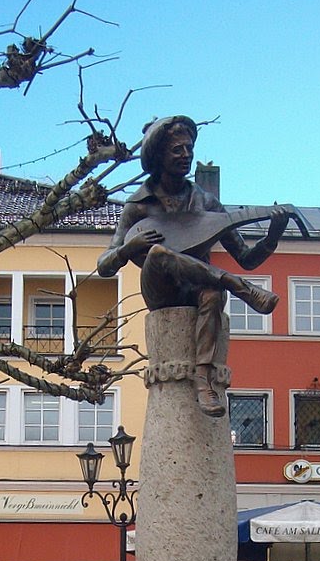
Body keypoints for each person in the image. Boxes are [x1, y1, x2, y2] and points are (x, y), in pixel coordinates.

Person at [97, 115, 290, 417]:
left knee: (213, 293)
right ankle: (239, 287)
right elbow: (104, 266)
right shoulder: (138, 206)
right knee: (159, 253)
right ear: (158, 155)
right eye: (177, 150)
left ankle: (203, 379)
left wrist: (273, 235)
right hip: (160, 289)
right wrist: (128, 249)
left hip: (198, 286)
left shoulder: (207, 203)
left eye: (189, 148)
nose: (186, 155)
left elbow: (246, 258)